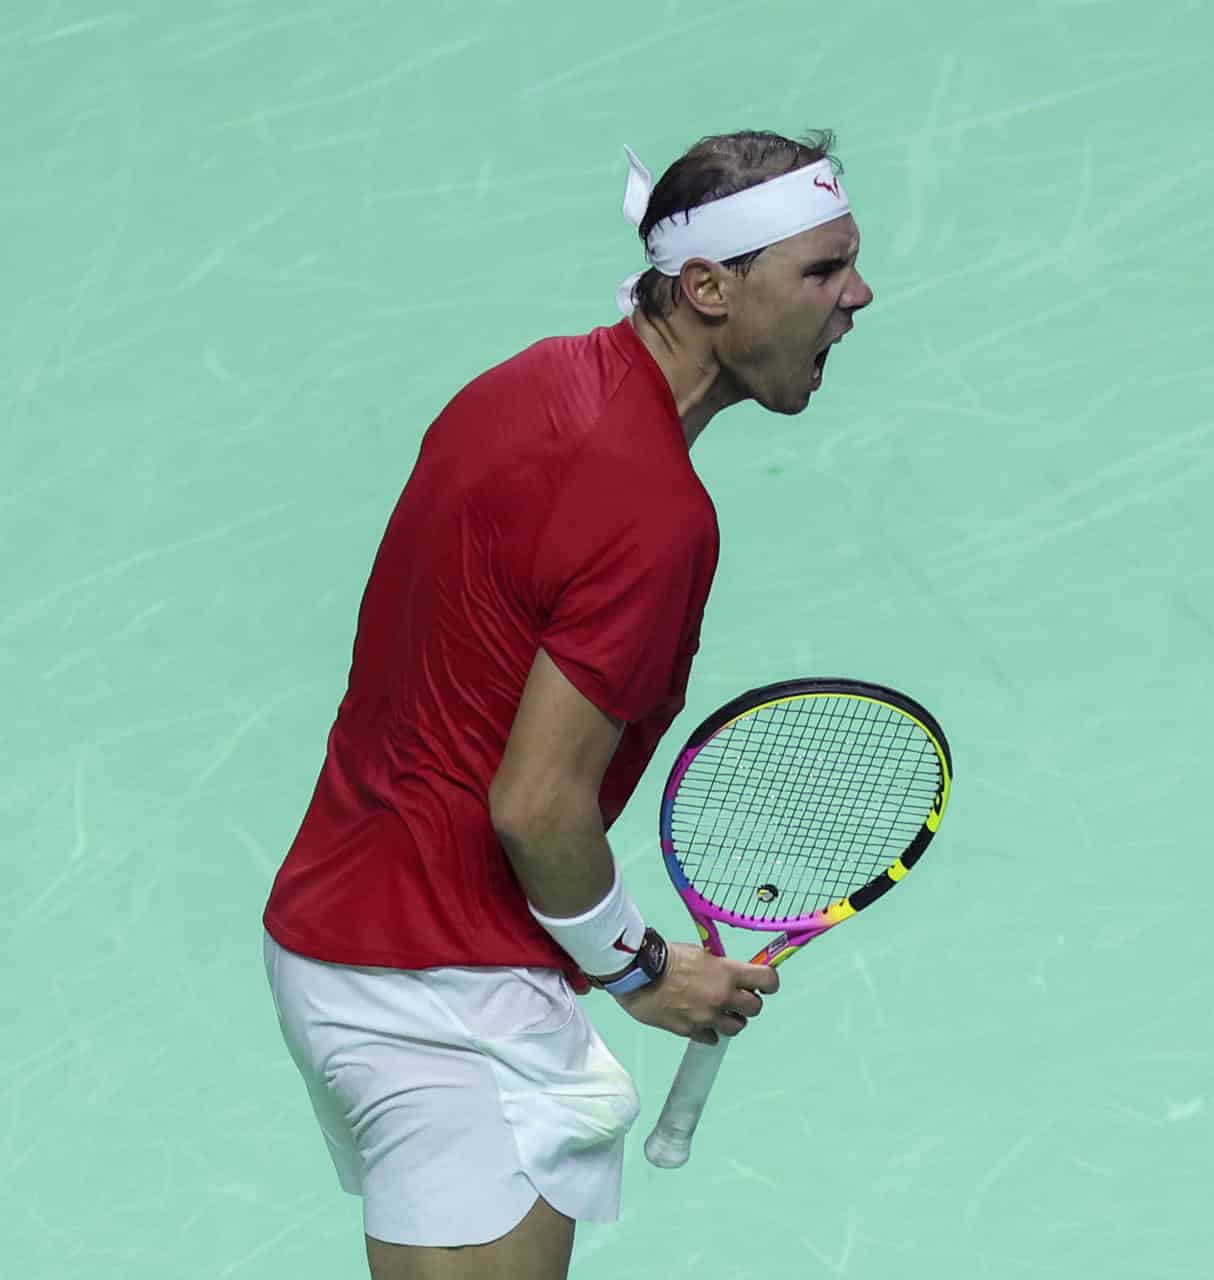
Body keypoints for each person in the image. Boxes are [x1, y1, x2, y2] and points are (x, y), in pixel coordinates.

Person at [260, 128, 874, 1279]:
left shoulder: (528, 384)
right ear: (707, 288)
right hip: (446, 999)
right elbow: (536, 805)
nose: (858, 295)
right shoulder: (654, 511)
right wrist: (642, 967)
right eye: (822, 269)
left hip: (340, 935)